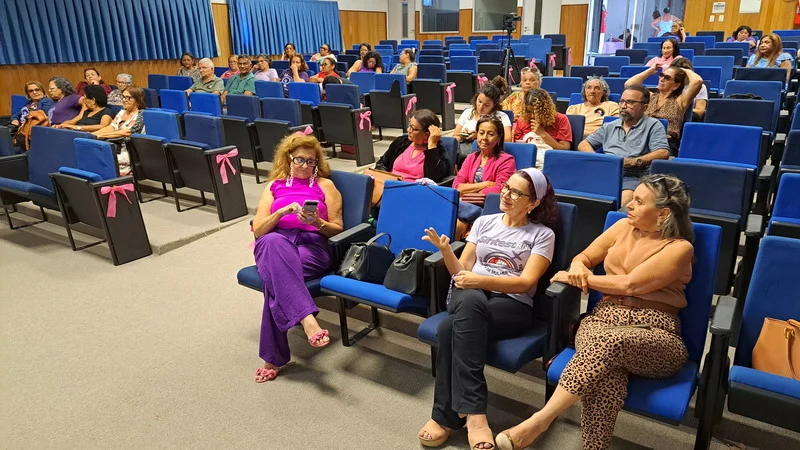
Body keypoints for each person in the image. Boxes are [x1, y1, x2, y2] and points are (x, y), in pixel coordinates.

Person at [495, 174, 694, 450]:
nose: (629, 205)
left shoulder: (680, 248)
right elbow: (584, 257)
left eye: (639, 201)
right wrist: (578, 267)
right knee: (607, 374)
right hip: (602, 318)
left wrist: (577, 278)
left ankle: (541, 420)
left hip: (657, 332)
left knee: (608, 345)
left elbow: (630, 284)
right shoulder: (622, 227)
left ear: (663, 214)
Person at [417, 168, 559, 450]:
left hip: (512, 304)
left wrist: (478, 280)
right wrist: (446, 252)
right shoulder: (484, 222)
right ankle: (476, 416)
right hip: (468, 294)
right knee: (471, 300)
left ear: (533, 203)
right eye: (506, 187)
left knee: (448, 329)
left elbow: (526, 282)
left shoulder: (542, 235)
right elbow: (462, 270)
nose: (506, 194)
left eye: (516, 192)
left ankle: (445, 416)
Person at [251, 133, 343, 383]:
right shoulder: (274, 186)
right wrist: (279, 214)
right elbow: (258, 230)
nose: (305, 165)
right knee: (272, 244)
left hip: (312, 246)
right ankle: (307, 319)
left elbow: (338, 228)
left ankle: (273, 358)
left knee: (275, 278)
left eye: (310, 161)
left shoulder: (326, 185)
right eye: (299, 159)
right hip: (275, 243)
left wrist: (318, 222)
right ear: (288, 159)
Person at [577, 85, 670, 206]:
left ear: (644, 107)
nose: (623, 106)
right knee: (576, 196)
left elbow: (663, 153)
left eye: (630, 102)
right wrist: (598, 159)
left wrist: (634, 161)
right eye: (621, 101)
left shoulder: (653, 125)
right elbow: (584, 144)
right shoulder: (610, 126)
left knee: (617, 205)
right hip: (604, 171)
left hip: (632, 176)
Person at [452, 117, 518, 237]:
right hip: (465, 207)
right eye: (481, 133)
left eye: (490, 134)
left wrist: (468, 189)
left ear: (499, 138)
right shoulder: (471, 158)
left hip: (488, 210)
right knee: (449, 226)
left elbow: (500, 190)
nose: (484, 138)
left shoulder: (507, 160)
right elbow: (457, 187)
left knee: (457, 228)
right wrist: (486, 184)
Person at [626, 63, 702, 154]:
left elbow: (697, 82)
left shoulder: (680, 101)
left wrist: (685, 70)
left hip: (665, 142)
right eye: (661, 75)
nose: (661, 79)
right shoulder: (650, 96)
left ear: (676, 85)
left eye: (667, 78)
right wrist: (650, 71)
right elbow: (629, 85)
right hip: (642, 138)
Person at [374, 109, 449, 183]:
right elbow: (381, 163)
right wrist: (386, 178)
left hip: (414, 189)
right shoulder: (401, 142)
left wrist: (432, 146)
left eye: (413, 129)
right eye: (409, 126)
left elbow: (435, 178)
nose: (408, 130)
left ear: (426, 134)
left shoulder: (438, 152)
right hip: (390, 184)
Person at [453, 81, 514, 163]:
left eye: (486, 105)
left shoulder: (502, 117)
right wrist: (463, 135)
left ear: (494, 105)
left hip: (488, 154)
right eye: (479, 101)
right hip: (463, 152)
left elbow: (507, 140)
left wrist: (479, 136)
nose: (481, 107)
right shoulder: (467, 112)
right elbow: (454, 137)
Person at [513, 88, 573, 168]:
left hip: (551, 163)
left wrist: (542, 133)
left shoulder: (561, 119)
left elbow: (564, 149)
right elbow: (516, 148)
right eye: (529, 112)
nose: (532, 116)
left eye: (536, 112)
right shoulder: (522, 120)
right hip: (526, 163)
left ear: (545, 110)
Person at [93, 87, 146, 176]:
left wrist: (102, 135)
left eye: (129, 98)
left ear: (138, 100)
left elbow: (127, 132)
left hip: (128, 148)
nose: (125, 100)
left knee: (99, 157)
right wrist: (92, 134)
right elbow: (111, 127)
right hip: (113, 144)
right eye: (124, 97)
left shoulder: (141, 114)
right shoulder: (122, 112)